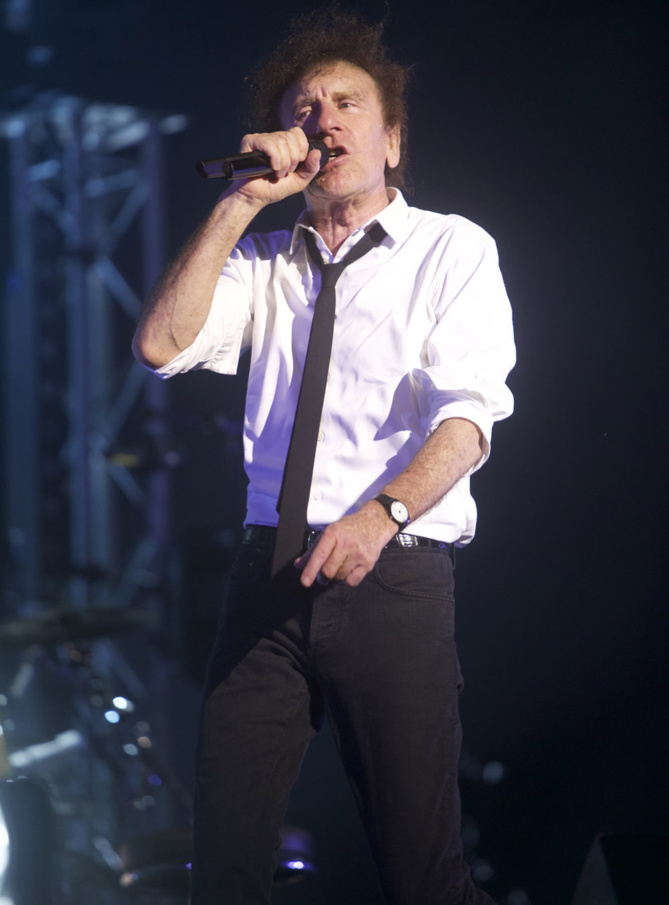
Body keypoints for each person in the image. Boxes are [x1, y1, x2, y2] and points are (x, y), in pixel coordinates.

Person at [133, 9, 515, 904]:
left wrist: (379, 516)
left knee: (421, 872)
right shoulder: (262, 257)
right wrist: (240, 201)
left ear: (391, 138)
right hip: (265, 574)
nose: (323, 120)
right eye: (303, 109)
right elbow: (159, 345)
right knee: (221, 865)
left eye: (347, 103)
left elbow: (468, 421)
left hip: (390, 576)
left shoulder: (450, 250)